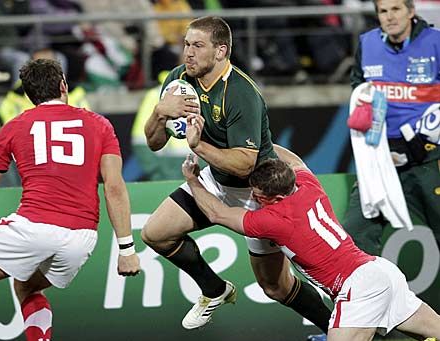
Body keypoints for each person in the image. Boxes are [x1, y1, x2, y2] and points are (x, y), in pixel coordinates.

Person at [141, 16, 332, 332]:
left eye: (198, 46)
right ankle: (214, 290)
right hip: (216, 180)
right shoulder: (178, 81)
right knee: (155, 233)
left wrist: (197, 146)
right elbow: (154, 142)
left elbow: (245, 164)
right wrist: (160, 112)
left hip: (259, 192)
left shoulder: (241, 92)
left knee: (276, 287)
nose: (188, 53)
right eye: (186, 44)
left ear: (220, 52)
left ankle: (335, 330)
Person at [0, 59, 141, 341]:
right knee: (28, 288)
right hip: (81, 237)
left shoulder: (13, 127)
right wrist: (126, 249)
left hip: (33, 226)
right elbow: (115, 187)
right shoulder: (100, 125)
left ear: (29, 95)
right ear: (63, 85)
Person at [181, 142, 440, 340]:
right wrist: (262, 145)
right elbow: (294, 160)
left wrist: (192, 179)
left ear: (277, 199)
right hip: (379, 270)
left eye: (259, 196)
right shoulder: (307, 183)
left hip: (357, 287)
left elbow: (217, 213)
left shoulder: (274, 220)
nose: (255, 199)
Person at [344, 0, 440, 255]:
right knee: (355, 235)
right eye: (383, 11)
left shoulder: (436, 42)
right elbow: (358, 86)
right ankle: (369, 294)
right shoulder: (367, 44)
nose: (390, 17)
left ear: (411, 11)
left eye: (396, 9)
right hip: (381, 158)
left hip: (428, 158)